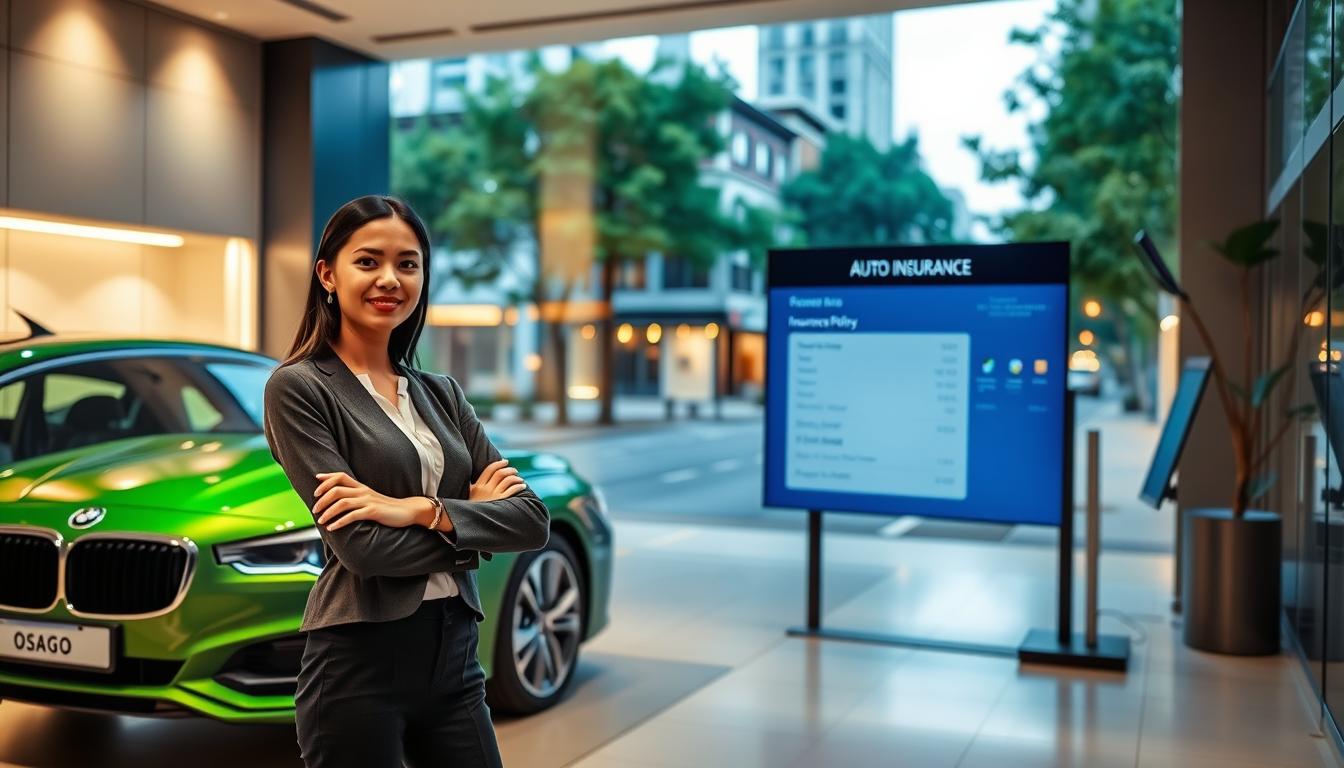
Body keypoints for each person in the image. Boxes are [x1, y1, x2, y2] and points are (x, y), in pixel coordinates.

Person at [263, 195, 550, 768]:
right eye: (368, 261)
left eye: (408, 264)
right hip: (358, 662)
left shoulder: (440, 392)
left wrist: (419, 510)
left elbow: (530, 520)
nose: (389, 279)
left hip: (455, 656)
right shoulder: (299, 388)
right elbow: (363, 550)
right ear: (327, 274)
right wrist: (470, 525)